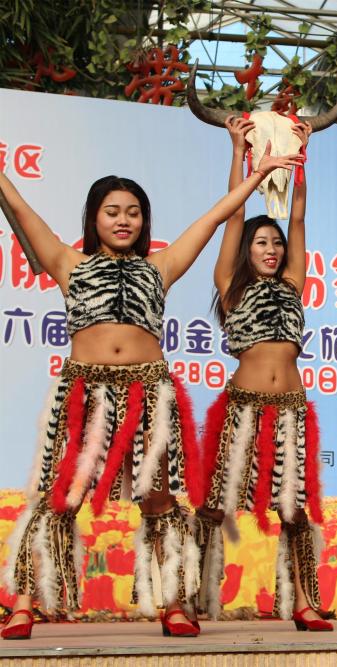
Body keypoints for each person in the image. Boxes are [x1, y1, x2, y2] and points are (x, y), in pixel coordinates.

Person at [0, 144, 302, 640]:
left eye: (134, 213)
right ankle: (24, 604)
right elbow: (22, 213)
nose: (124, 221)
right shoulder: (67, 263)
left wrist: (257, 176)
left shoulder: (159, 267)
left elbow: (214, 217)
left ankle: (175, 602)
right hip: (87, 394)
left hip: (148, 394)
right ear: (93, 217)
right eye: (113, 212)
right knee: (61, 497)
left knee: (159, 499)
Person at [194, 118, 330, 630]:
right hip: (243, 407)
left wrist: (300, 159)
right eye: (262, 243)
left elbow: (297, 216)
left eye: (275, 244)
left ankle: (302, 602)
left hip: (292, 410)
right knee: (214, 503)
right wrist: (238, 152)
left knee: (294, 509)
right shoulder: (230, 284)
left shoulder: (294, 283)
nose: (272, 249)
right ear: (247, 250)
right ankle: (187, 595)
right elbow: (232, 217)